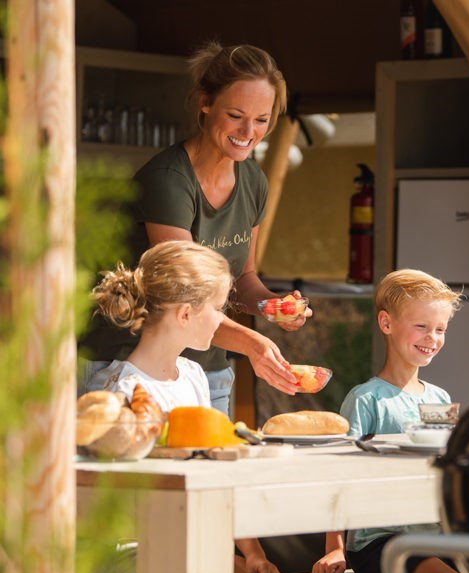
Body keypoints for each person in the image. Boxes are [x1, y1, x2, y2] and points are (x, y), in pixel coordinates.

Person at [80, 41, 309, 416]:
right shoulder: (168, 181)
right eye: (235, 115)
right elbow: (182, 299)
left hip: (205, 369)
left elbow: (244, 277)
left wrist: (272, 306)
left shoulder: (253, 180)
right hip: (127, 367)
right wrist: (253, 343)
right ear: (206, 103)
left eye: (262, 120)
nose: (248, 131)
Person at [91, 240, 319, 573]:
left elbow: (217, 481)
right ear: (185, 315)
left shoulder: (194, 375)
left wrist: (253, 554)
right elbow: (128, 513)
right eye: (217, 307)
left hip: (195, 539)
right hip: (135, 554)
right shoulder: (124, 393)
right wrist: (225, 566)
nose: (222, 318)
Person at [312, 269, 468, 573]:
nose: (433, 338)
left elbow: (444, 468)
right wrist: (335, 548)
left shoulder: (439, 398)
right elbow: (339, 474)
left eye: (441, 329)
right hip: (377, 540)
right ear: (386, 324)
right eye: (422, 326)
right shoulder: (365, 398)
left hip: (431, 535)